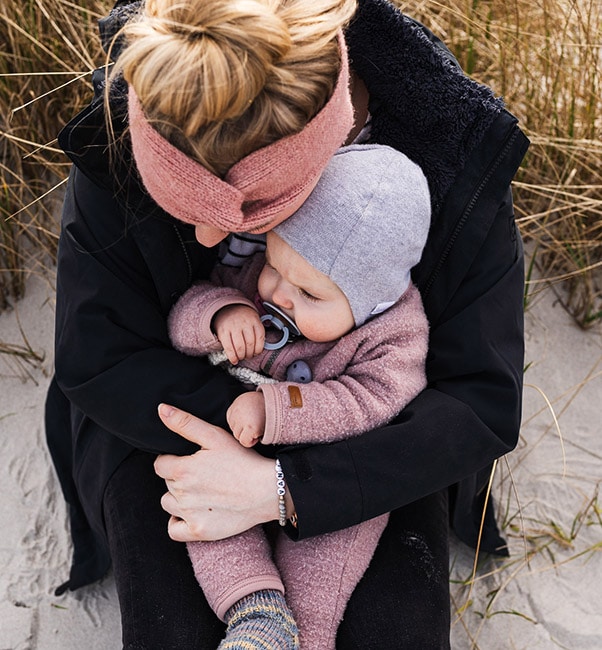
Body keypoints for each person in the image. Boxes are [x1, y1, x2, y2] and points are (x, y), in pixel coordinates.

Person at [44, 0, 529, 648]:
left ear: (333, 143)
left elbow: (477, 400)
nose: (209, 235)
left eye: (252, 213)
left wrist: (287, 488)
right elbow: (100, 356)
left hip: (375, 438)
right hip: (164, 413)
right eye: (178, 202)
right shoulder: (134, 120)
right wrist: (245, 433)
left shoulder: (451, 153)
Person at [167, 143, 431, 649]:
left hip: (331, 468)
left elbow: (373, 400)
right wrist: (219, 313)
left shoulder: (393, 332)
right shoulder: (252, 283)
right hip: (233, 450)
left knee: (338, 539)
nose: (279, 294)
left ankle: (308, 636)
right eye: (275, 266)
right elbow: (182, 321)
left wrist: (277, 410)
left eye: (310, 294)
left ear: (373, 303)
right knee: (200, 504)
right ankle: (256, 613)